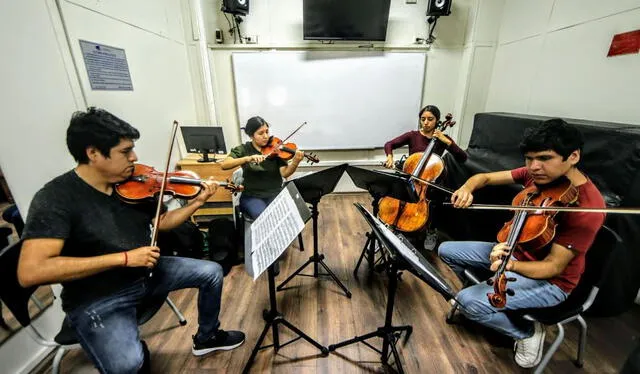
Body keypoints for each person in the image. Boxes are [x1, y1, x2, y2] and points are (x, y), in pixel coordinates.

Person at [17, 108, 244, 374]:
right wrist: (124, 258)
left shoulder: (132, 183)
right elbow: (30, 271)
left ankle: (207, 337)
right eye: (125, 152)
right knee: (129, 364)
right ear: (93, 153)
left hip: (146, 274)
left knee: (212, 272)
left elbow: (161, 223)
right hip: (99, 297)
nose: (134, 157)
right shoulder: (56, 199)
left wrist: (198, 202)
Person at [438, 118, 605, 368]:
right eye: (529, 158)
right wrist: (466, 187)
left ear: (573, 156)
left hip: (551, 283)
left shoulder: (586, 208)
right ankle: (487, 296)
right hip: (515, 253)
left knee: (467, 302)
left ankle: (526, 332)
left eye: (545, 158)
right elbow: (483, 178)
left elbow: (552, 267)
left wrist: (508, 265)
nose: (534, 167)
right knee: (446, 250)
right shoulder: (539, 176)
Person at [383, 105, 467, 251]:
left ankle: (431, 230)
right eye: (423, 119)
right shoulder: (413, 135)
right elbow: (389, 144)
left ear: (437, 121)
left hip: (431, 181)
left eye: (430, 119)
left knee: (436, 200)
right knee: (398, 191)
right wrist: (389, 156)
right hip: (411, 177)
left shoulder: (443, 139)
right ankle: (392, 226)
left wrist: (447, 142)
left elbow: (463, 157)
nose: (426, 122)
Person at [220, 116, 304, 219]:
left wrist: (295, 162)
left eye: (267, 132)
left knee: (288, 216)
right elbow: (224, 165)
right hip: (252, 196)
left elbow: (285, 173)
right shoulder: (244, 149)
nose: (266, 136)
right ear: (251, 135)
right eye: (261, 133)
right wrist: (248, 158)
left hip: (276, 194)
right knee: (264, 218)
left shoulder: (276, 149)